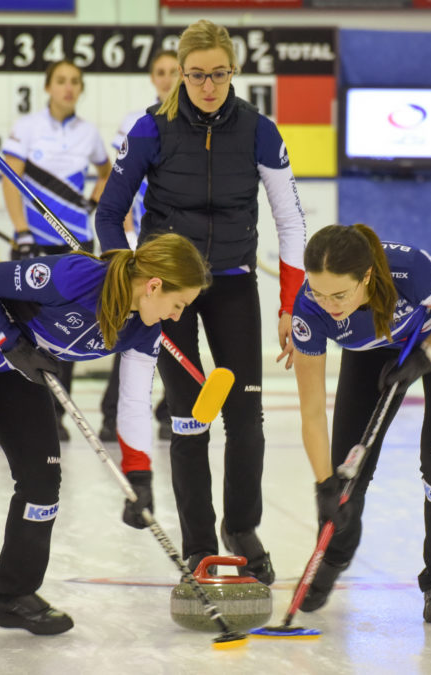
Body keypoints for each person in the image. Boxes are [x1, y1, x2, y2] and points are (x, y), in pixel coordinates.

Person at [0, 234, 210, 638]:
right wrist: (10, 343)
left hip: (13, 366)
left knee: (42, 481)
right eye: (179, 305)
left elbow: (135, 402)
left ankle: (14, 596)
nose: (176, 317)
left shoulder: (144, 330)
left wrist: (139, 475)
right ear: (154, 286)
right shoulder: (76, 276)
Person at [96, 19, 306, 585]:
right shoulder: (150, 129)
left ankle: (242, 529)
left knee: (246, 419)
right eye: (196, 75)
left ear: (233, 71)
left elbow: (290, 220)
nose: (208, 86)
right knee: (188, 419)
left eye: (218, 74)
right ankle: (198, 545)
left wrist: (290, 304)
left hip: (234, 283)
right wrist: (128, 278)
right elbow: (109, 214)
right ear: (180, 75)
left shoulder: (260, 130)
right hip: (171, 291)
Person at [287, 224, 431, 624]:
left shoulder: (409, 271)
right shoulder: (309, 310)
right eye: (319, 292)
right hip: (373, 346)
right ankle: (332, 556)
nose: (328, 305)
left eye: (339, 295)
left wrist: (428, 354)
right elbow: (311, 411)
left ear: (366, 276)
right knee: (347, 471)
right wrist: (324, 484)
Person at [2, 59, 111, 439]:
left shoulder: (89, 133)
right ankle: (10, 420)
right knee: (19, 329)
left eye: (75, 81)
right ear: (48, 86)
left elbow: (106, 173)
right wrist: (21, 231)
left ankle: (56, 417)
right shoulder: (27, 127)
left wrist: (90, 205)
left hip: (76, 244)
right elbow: (11, 180)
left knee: (69, 329)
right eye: (61, 80)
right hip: (33, 242)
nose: (68, 87)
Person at [100, 49, 180, 443]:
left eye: (173, 71)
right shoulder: (138, 121)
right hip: (144, 243)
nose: (166, 78)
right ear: (152, 77)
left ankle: (169, 411)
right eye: (160, 72)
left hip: (179, 248)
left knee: (175, 330)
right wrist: (126, 229)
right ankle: (112, 414)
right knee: (134, 324)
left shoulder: (194, 121)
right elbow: (121, 180)